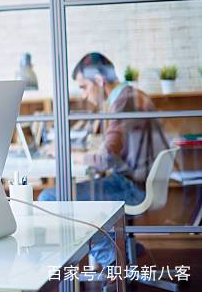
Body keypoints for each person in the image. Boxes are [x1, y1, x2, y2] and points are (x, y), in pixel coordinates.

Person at [39, 52, 168, 268]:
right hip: (139, 181)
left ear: (99, 80)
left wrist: (68, 153)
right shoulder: (130, 96)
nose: (83, 95)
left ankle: (114, 258)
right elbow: (114, 148)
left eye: (84, 87)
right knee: (74, 194)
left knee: (49, 198)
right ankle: (128, 250)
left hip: (132, 187)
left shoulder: (124, 102)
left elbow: (105, 158)